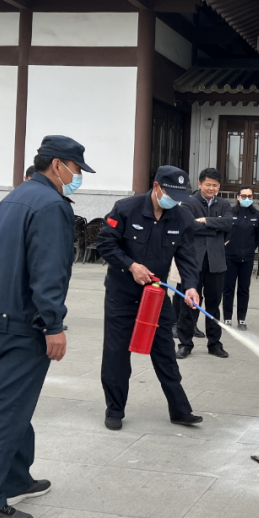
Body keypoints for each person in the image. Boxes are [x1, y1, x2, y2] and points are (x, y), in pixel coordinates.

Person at [0, 136, 92, 518]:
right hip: (23, 323)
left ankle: (16, 478)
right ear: (58, 165)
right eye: (77, 169)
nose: (78, 177)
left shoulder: (14, 198)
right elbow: (48, 272)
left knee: (14, 402)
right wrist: (54, 324)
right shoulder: (51, 205)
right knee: (10, 410)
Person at [97, 165, 204, 431]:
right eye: (171, 195)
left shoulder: (181, 218)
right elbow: (105, 244)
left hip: (155, 296)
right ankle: (115, 410)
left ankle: (180, 410)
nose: (175, 201)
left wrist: (191, 286)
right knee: (116, 353)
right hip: (122, 295)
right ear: (157, 187)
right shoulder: (125, 209)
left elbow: (187, 257)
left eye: (180, 197)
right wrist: (131, 266)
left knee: (165, 352)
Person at [175, 168, 232, 359]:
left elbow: (228, 223)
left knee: (214, 305)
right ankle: (185, 343)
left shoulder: (224, 203)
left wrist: (205, 220)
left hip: (216, 262)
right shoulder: (188, 203)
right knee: (189, 304)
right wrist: (215, 225)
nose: (211, 188)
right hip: (193, 263)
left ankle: (214, 343)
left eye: (215, 185)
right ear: (200, 184)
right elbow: (188, 225)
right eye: (208, 184)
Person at [222, 186, 259, 330]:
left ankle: (241, 319)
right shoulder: (230, 213)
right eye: (244, 196)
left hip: (247, 258)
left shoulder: (257, 215)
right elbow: (224, 232)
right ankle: (227, 319)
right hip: (230, 257)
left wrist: (250, 248)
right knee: (228, 289)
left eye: (249, 196)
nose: (247, 199)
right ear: (238, 197)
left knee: (244, 289)